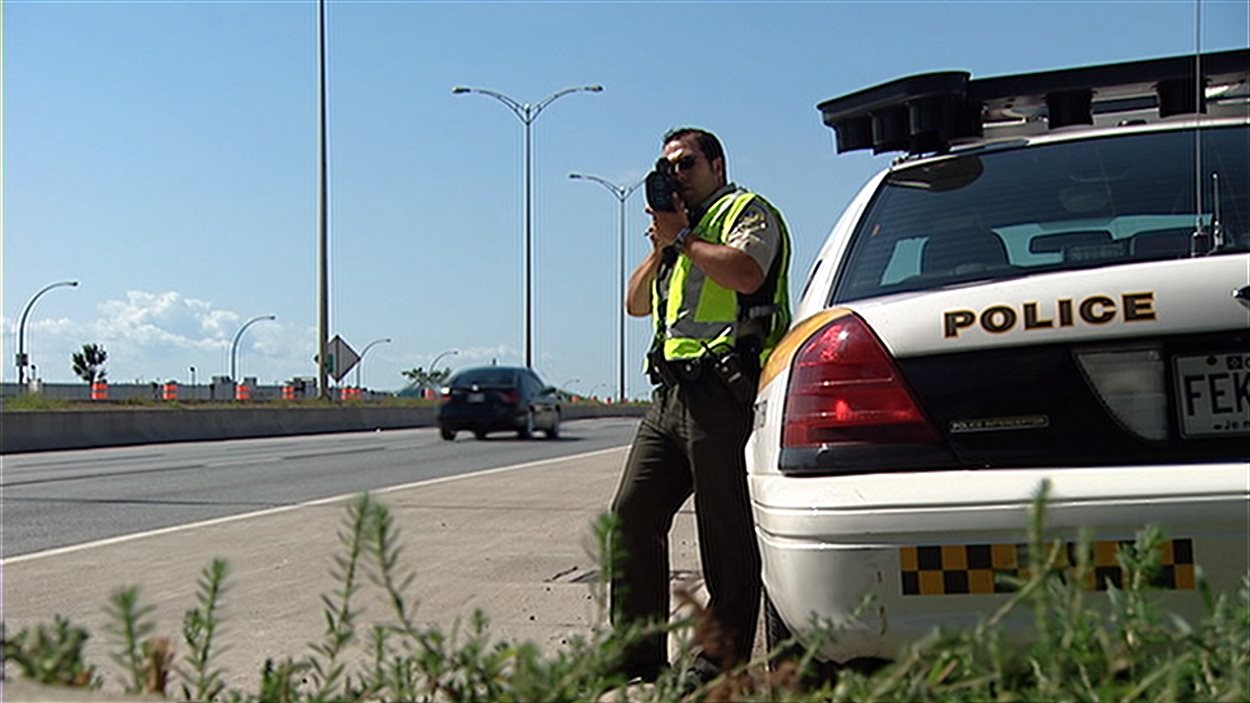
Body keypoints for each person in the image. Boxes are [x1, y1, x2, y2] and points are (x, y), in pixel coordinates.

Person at [611, 127, 792, 684]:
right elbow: (635, 304)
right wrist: (661, 246)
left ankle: (719, 662)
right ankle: (636, 661)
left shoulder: (747, 211)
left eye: (687, 164)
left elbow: (747, 271)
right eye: (669, 167)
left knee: (726, 537)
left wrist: (685, 237)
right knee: (631, 515)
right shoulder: (674, 236)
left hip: (722, 393)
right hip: (669, 399)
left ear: (716, 164)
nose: (677, 176)